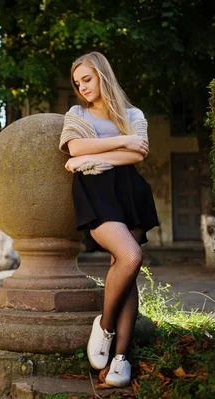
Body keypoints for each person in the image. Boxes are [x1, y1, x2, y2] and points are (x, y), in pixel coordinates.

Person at [59, 52, 160, 387]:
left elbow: (139, 153)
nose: (82, 87)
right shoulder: (76, 114)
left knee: (125, 268)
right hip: (96, 194)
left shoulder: (133, 114)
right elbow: (73, 149)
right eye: (77, 83)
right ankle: (104, 326)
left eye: (87, 79)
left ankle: (120, 360)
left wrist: (94, 153)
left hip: (129, 193)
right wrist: (122, 141)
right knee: (131, 256)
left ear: (103, 74)